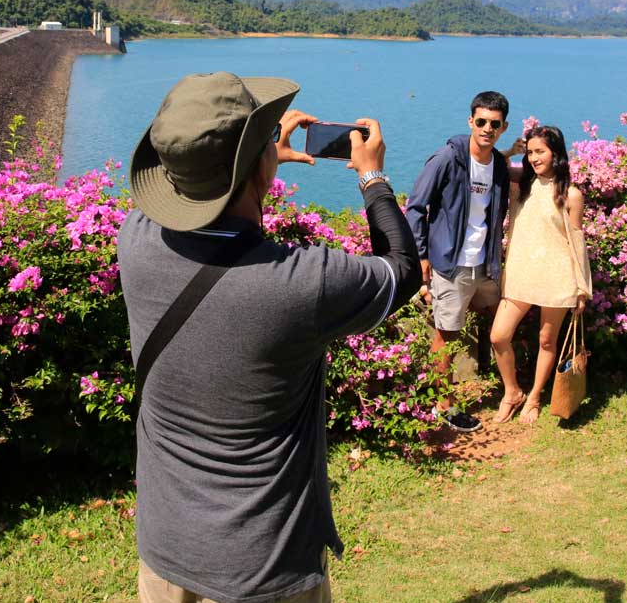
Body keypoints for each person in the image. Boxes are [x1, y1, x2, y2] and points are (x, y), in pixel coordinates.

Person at [118, 71, 420, 603]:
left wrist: (256, 164)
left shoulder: (134, 241)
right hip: (262, 568)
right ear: (257, 165)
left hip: (165, 552)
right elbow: (401, 269)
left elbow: (218, 230)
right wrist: (373, 178)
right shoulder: (303, 283)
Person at [405, 91, 511, 432]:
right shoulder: (447, 159)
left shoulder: (499, 165)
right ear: (470, 122)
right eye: (481, 122)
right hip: (452, 264)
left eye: (494, 124)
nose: (487, 129)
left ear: (503, 127)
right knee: (446, 334)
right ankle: (444, 405)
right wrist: (421, 255)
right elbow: (416, 207)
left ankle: (505, 385)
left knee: (500, 321)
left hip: (486, 265)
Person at [489, 124, 593, 425]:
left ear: (555, 154)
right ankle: (512, 392)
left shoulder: (571, 195)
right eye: (531, 152)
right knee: (499, 336)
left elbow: (576, 243)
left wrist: (581, 289)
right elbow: (492, 164)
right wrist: (510, 151)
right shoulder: (522, 182)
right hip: (521, 273)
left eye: (540, 152)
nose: (534, 158)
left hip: (558, 276)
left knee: (548, 340)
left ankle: (534, 397)